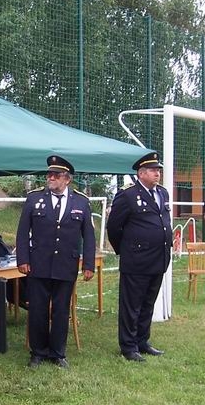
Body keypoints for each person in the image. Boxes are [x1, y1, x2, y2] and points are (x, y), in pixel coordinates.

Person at [16, 155, 95, 369]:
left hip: (66, 264)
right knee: (38, 309)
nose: (50, 178)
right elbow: (22, 232)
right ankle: (38, 352)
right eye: (49, 174)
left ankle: (58, 353)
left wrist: (88, 264)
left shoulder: (81, 201)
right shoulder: (34, 199)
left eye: (56, 175)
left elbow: (89, 236)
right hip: (39, 263)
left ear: (67, 179)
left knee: (61, 310)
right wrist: (23, 259)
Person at [106, 151, 172, 363]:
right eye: (153, 170)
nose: (157, 173)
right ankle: (128, 346)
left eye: (158, 170)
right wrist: (126, 250)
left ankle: (142, 341)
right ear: (141, 173)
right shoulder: (127, 195)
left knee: (147, 303)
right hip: (136, 260)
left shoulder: (162, 193)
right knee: (131, 305)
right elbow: (114, 227)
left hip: (159, 258)